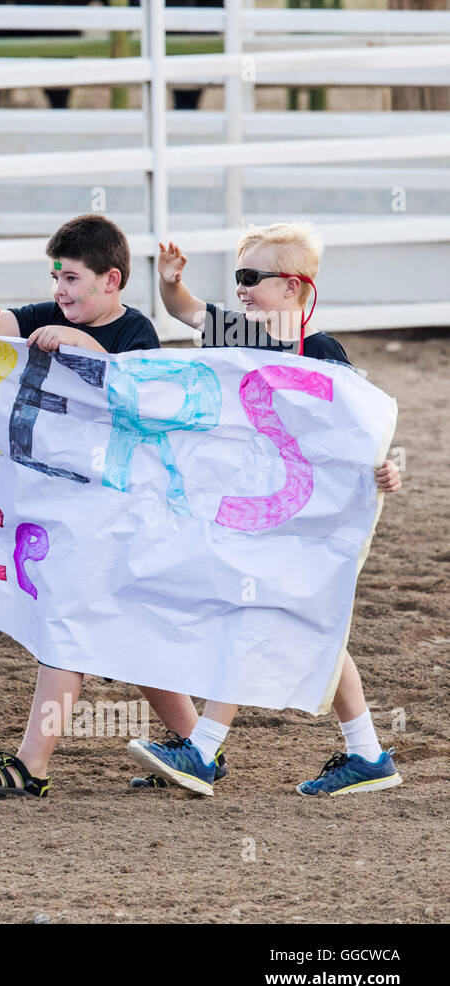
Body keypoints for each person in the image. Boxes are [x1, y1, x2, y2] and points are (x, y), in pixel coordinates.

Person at [125, 222, 404, 797]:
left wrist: (387, 469)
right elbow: (187, 311)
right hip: (258, 510)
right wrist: (170, 283)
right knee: (311, 624)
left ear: (296, 286)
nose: (243, 290)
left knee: (255, 615)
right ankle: (368, 753)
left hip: (302, 518)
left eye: (253, 279)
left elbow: (360, 433)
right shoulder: (238, 329)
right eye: (238, 277)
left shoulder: (323, 353)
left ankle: (202, 751)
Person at [0, 214, 161, 799]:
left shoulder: (135, 331)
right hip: (71, 509)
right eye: (54, 277)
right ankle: (197, 748)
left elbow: (138, 393)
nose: (59, 290)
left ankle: (30, 766)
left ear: (111, 280)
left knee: (67, 625)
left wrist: (82, 346)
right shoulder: (51, 315)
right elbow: (9, 326)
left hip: (118, 511)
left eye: (71, 278)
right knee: (127, 633)